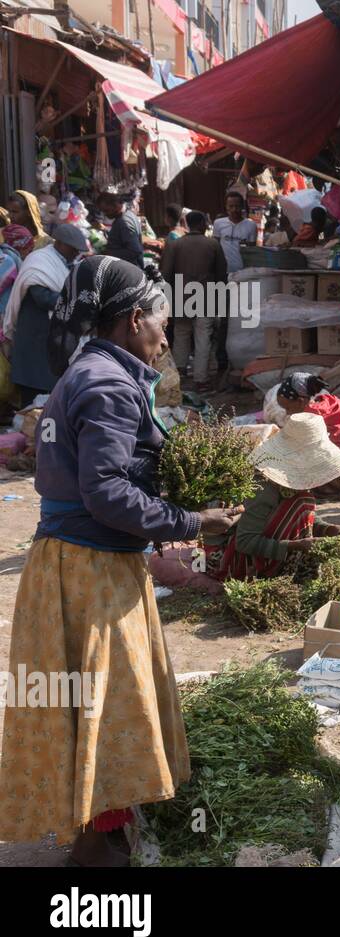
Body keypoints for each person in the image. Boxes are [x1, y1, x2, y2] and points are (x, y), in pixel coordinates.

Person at [0, 256, 241, 865]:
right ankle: (98, 847)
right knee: (106, 706)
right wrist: (194, 521)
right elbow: (105, 492)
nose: (165, 334)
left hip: (69, 563)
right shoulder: (107, 384)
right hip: (91, 571)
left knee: (91, 703)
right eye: (161, 320)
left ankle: (102, 829)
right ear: (134, 319)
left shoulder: (85, 372)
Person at [203, 412, 340, 581]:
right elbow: (245, 541)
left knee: (301, 503)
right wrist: (296, 546)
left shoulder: (289, 485)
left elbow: (297, 520)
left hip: (248, 551)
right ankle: (281, 573)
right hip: (226, 562)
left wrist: (328, 529)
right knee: (301, 503)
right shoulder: (263, 487)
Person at [4, 223, 88, 404]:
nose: (76, 254)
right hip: (35, 339)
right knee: (34, 400)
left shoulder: (66, 263)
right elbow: (42, 298)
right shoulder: (39, 261)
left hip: (53, 341)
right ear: (61, 244)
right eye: (73, 249)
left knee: (51, 400)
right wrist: (77, 301)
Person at [272, 372, 340, 495]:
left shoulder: (310, 417)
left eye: (288, 408)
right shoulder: (330, 402)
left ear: (301, 401)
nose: (287, 413)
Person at [160, 210, 228, 389]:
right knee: (203, 337)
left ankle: (179, 374)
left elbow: (165, 274)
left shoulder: (175, 245)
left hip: (181, 298)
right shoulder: (213, 244)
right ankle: (201, 379)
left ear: (187, 225)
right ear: (203, 224)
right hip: (206, 298)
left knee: (181, 335)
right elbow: (222, 275)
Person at [212, 190, 258, 273]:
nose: (234, 209)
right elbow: (215, 247)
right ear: (226, 206)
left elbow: (252, 250)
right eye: (231, 206)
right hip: (222, 271)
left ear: (242, 207)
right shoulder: (218, 223)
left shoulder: (251, 225)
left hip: (243, 272)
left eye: (237, 206)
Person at [98, 192, 144, 268]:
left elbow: (134, 251)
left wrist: (108, 253)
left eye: (106, 210)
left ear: (115, 205)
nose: (105, 214)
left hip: (130, 270)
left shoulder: (124, 222)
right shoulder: (128, 214)